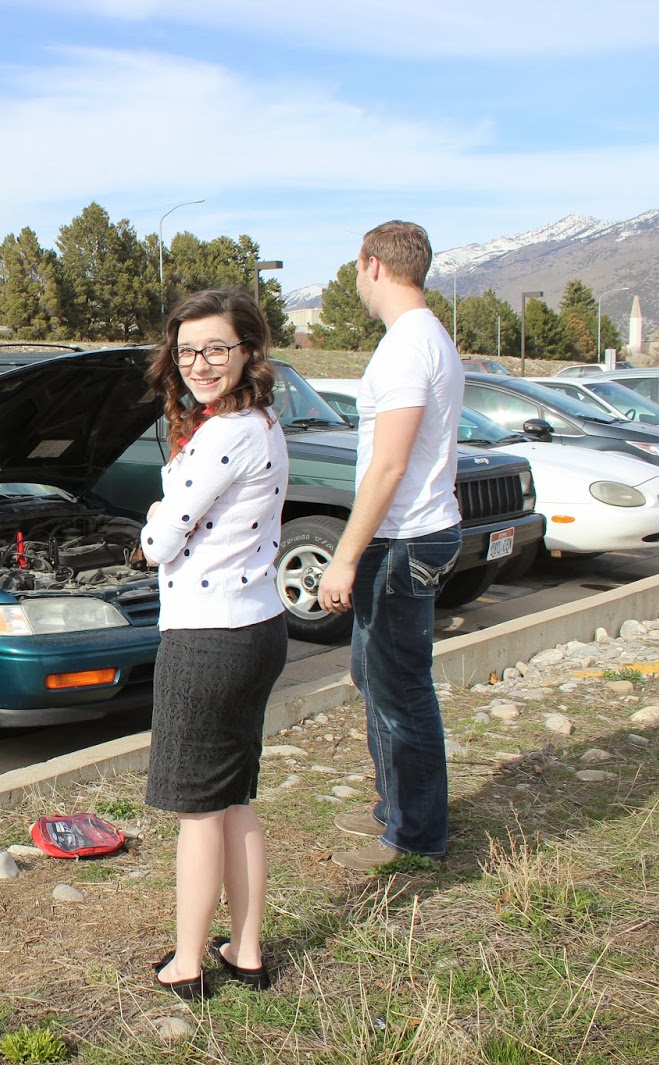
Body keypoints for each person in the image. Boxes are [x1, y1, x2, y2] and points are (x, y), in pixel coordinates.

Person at [139, 288, 289, 999]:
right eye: (187, 350)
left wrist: (151, 520)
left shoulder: (224, 434)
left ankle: (189, 963)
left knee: (198, 810)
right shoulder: (263, 423)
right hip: (258, 628)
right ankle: (246, 950)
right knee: (234, 798)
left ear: (248, 352)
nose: (199, 363)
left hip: (207, 639)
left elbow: (162, 539)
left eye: (216, 349)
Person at [316, 220, 463, 872]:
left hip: (402, 540)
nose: (356, 279)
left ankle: (415, 834)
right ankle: (396, 807)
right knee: (374, 676)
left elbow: (390, 465)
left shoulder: (407, 346)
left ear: (373, 265)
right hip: (412, 533)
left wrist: (344, 558)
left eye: (356, 268)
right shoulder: (425, 336)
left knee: (400, 690)